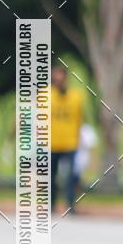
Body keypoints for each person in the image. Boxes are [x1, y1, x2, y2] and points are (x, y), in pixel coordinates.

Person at [51, 64, 84, 214]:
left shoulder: (76, 96)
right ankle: (51, 206)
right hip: (50, 143)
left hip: (70, 142)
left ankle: (71, 206)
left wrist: (79, 138)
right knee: (51, 177)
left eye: (60, 79)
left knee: (70, 177)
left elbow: (79, 119)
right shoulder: (45, 95)